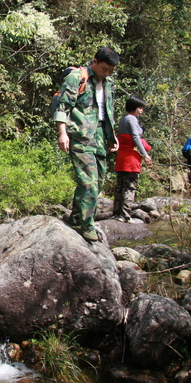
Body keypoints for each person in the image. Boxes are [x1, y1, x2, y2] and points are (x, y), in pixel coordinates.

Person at [53, 47, 120, 242]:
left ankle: (76, 216)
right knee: (88, 182)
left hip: (99, 135)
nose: (107, 73)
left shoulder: (108, 83)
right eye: (105, 69)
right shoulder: (77, 77)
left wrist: (111, 136)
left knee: (97, 180)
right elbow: (62, 107)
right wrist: (62, 133)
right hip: (80, 136)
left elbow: (107, 112)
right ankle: (87, 225)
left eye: (111, 71)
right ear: (95, 61)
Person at [112, 96, 152, 222]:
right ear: (134, 108)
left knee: (120, 186)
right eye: (140, 108)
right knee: (129, 188)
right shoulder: (132, 119)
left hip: (121, 158)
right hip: (131, 159)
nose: (141, 111)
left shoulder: (123, 119)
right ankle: (125, 216)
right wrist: (145, 154)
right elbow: (135, 137)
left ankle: (117, 213)